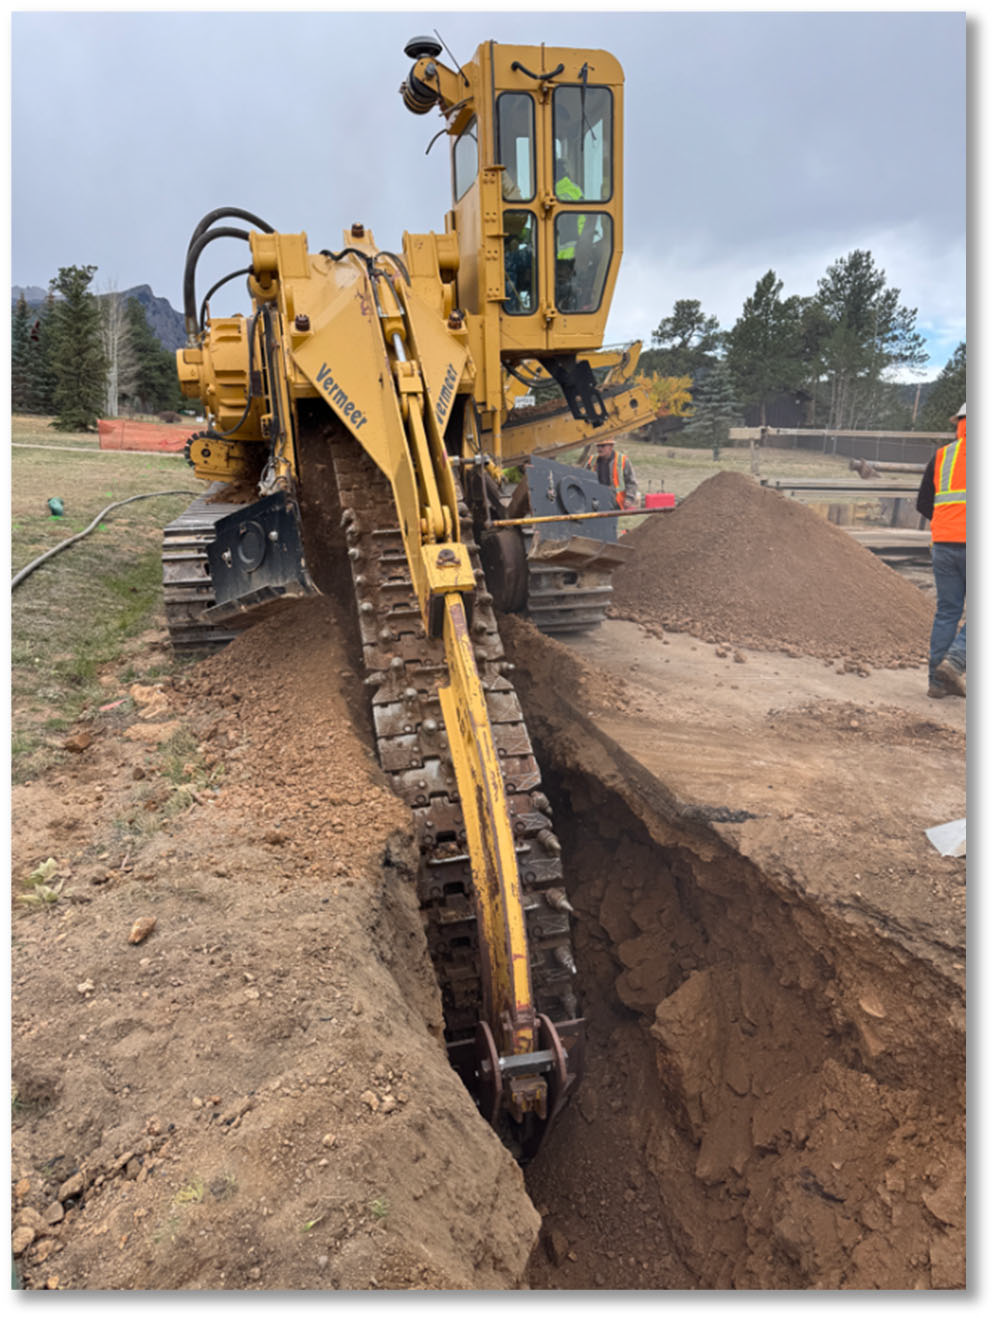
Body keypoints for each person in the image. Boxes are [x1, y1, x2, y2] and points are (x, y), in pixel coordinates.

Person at [916, 401, 966, 698]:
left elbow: (924, 503)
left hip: (944, 546)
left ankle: (937, 682)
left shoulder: (943, 456)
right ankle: (956, 662)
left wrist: (949, 523)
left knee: (947, 611)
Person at [585, 435, 639, 510]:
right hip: (595, 500)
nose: (599, 449)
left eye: (602, 446)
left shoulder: (622, 460)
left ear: (611, 446)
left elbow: (631, 482)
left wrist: (629, 498)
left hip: (615, 502)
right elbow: (583, 478)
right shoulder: (592, 460)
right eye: (598, 446)